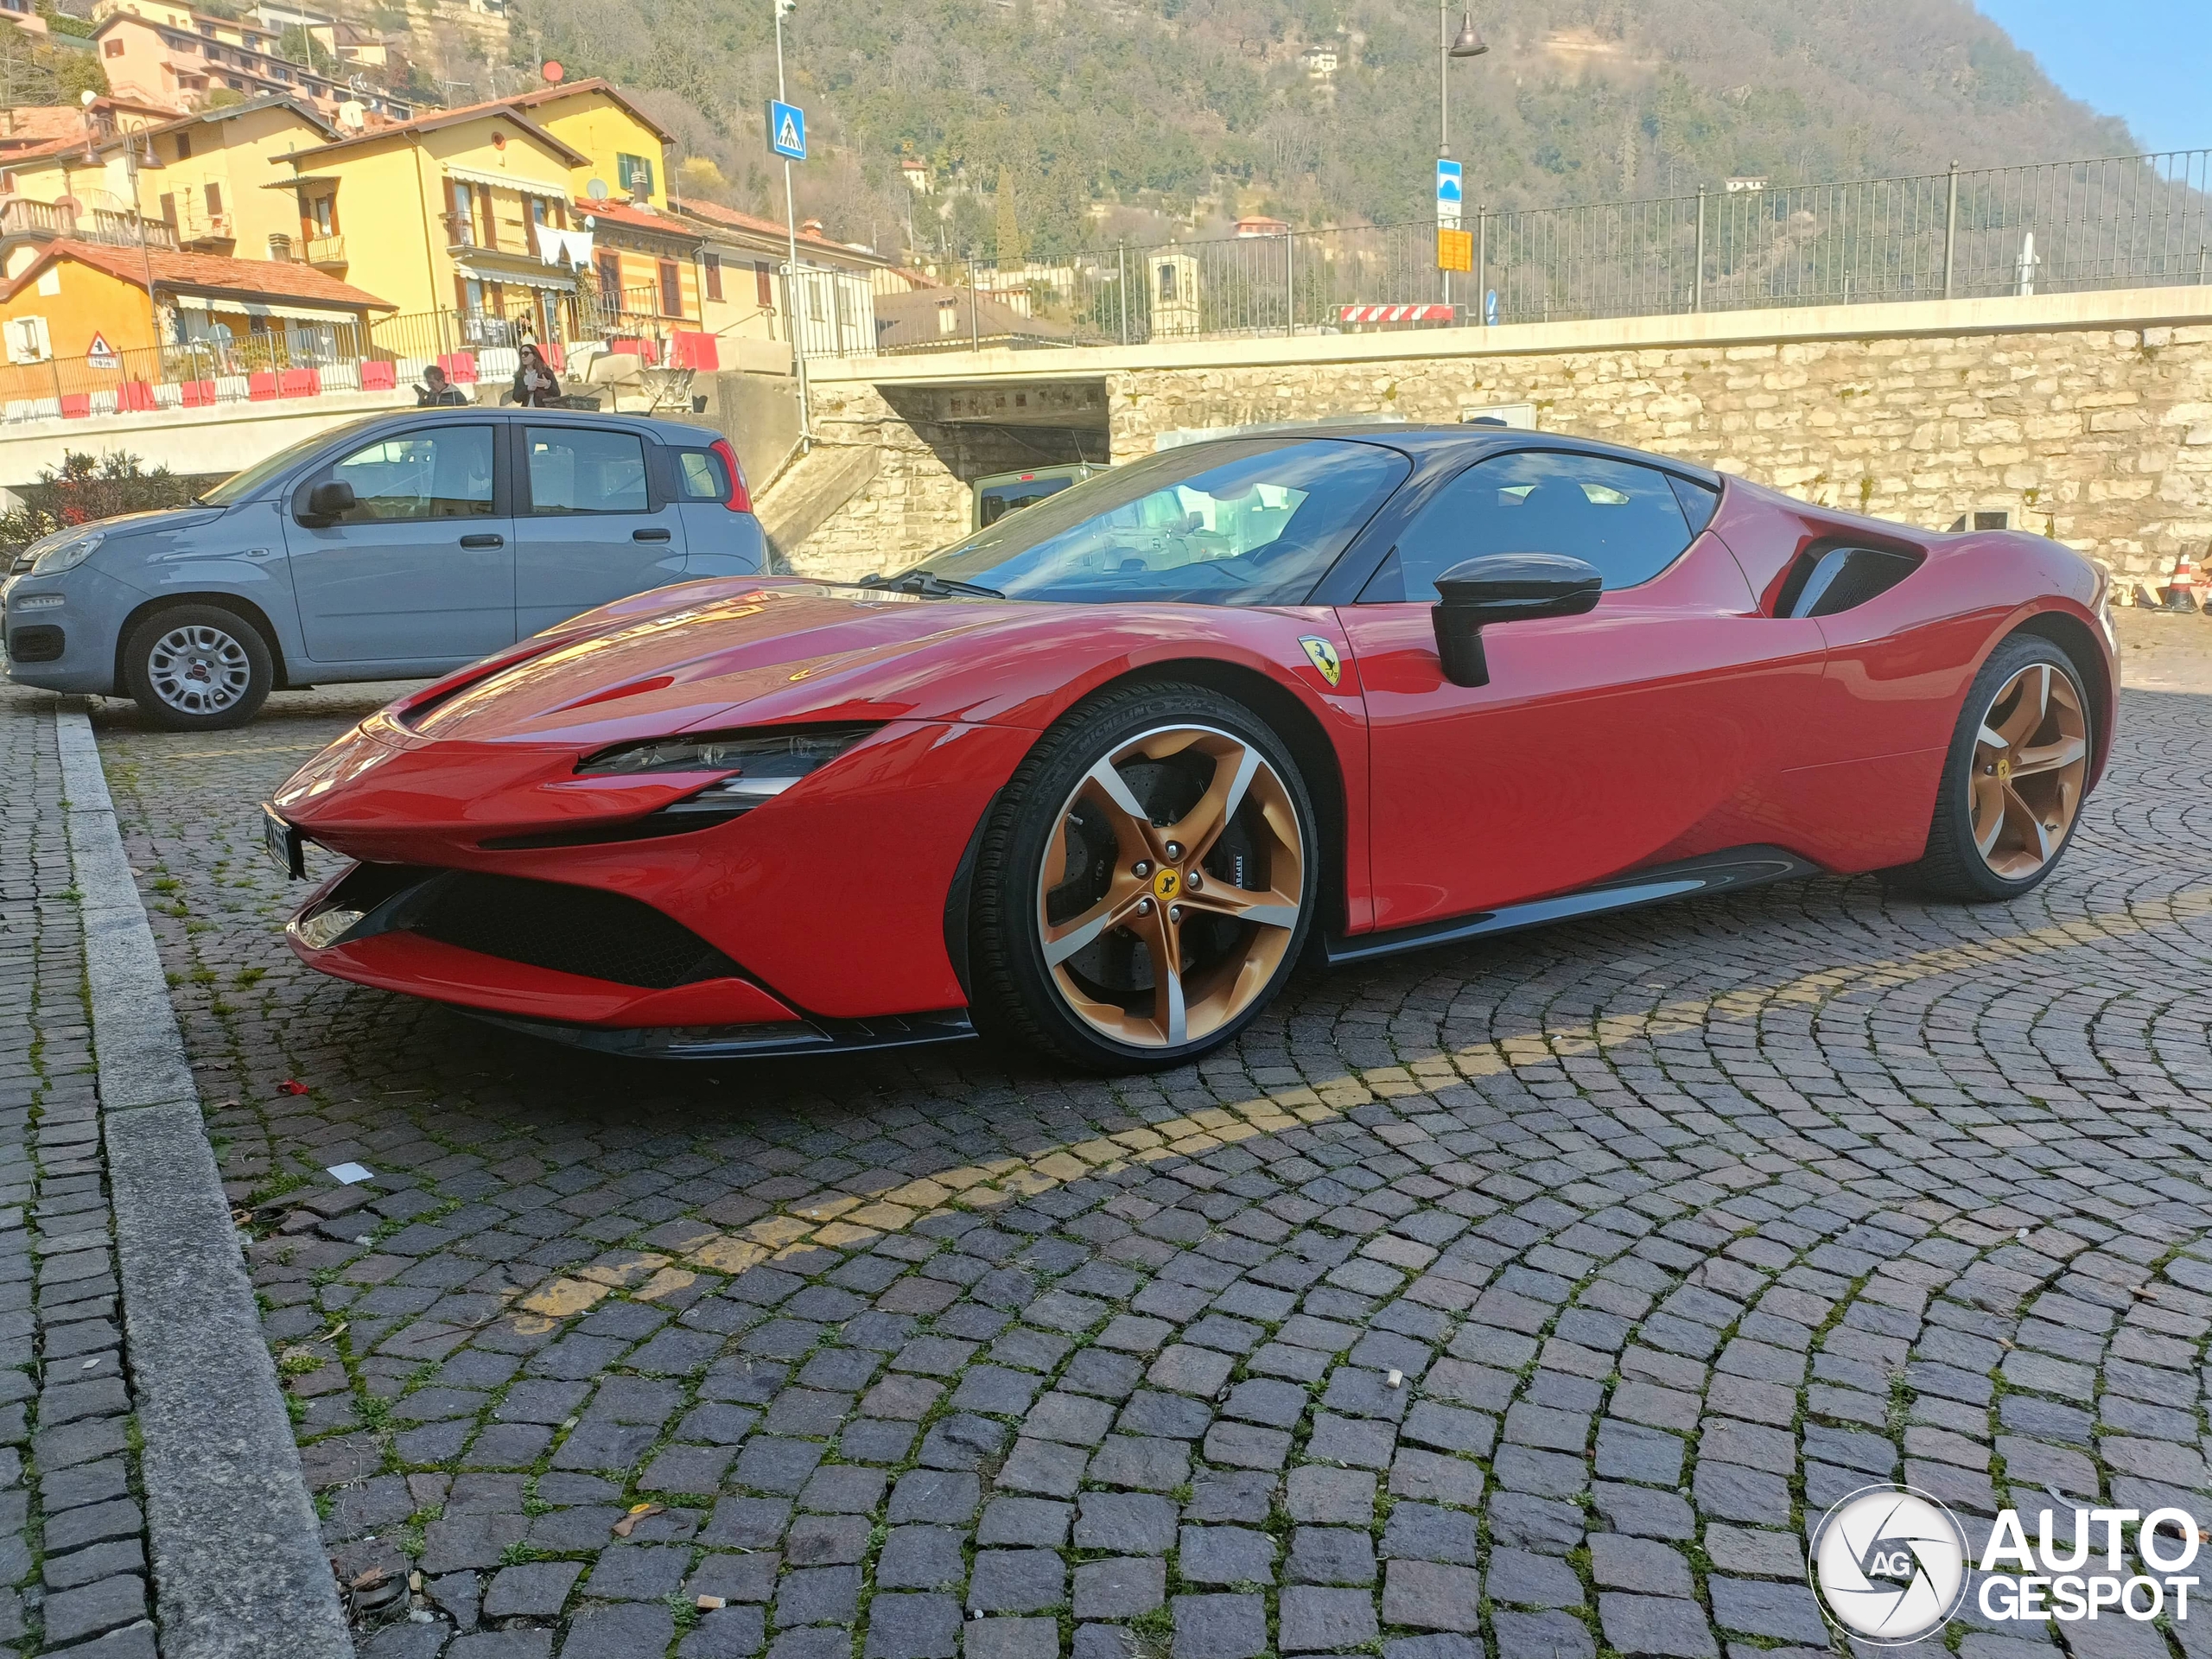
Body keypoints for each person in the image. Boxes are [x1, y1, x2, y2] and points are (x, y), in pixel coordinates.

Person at [511, 344, 563, 408]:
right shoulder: (520, 375)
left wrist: (548, 385)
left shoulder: (546, 373)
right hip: (526, 412)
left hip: (543, 411)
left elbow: (557, 394)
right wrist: (527, 389)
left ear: (535, 356)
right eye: (521, 354)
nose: (523, 356)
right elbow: (516, 398)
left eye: (526, 353)